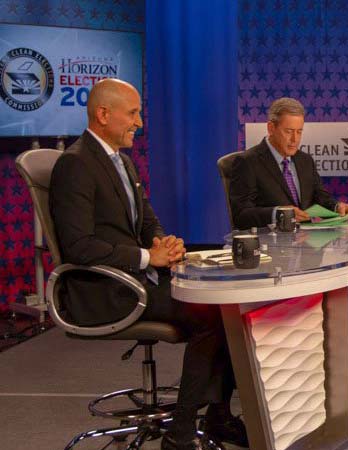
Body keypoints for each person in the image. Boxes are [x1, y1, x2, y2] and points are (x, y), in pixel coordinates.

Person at [49, 79, 246, 450]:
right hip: (105, 289)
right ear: (103, 114)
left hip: (137, 277)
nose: (139, 122)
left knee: (227, 305)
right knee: (214, 316)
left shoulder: (121, 161)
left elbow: (146, 220)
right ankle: (182, 433)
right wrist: (146, 257)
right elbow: (78, 247)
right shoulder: (74, 164)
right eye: (133, 113)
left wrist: (162, 243)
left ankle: (219, 418)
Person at [229, 97, 348, 229]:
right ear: (271, 128)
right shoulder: (248, 162)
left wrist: (336, 208)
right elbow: (241, 216)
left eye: (299, 132)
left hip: (308, 243)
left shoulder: (305, 160)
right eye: (288, 131)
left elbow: (320, 198)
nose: (295, 139)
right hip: (271, 244)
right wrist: (279, 214)